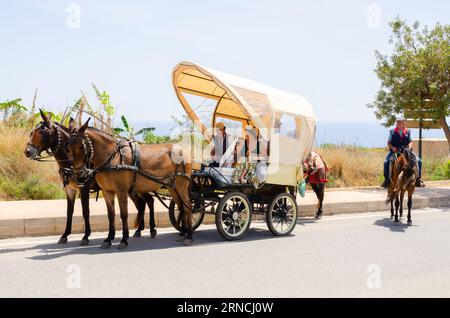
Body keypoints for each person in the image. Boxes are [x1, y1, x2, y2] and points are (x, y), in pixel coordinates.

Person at [381, 117, 423, 188]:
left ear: (404, 123)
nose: (398, 123)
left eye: (399, 122)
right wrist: (392, 148)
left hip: (406, 151)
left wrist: (409, 147)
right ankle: (387, 180)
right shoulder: (392, 131)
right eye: (397, 122)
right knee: (386, 162)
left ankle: (418, 179)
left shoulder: (408, 131)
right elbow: (389, 143)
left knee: (419, 161)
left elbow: (411, 141)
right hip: (395, 151)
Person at [304, 151, 328, 219]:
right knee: (315, 189)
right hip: (313, 169)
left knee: (321, 191)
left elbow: (312, 169)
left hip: (320, 168)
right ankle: (319, 205)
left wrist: (306, 178)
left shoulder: (309, 153)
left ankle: (320, 211)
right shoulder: (303, 154)